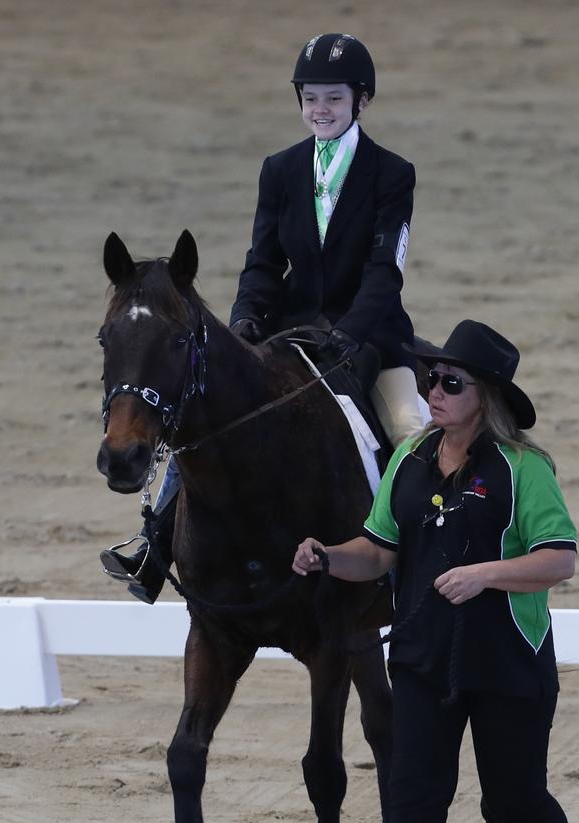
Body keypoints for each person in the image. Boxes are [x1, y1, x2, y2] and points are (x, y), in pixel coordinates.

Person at [293, 320, 579, 823]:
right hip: (424, 657)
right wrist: (325, 556)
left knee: (517, 798)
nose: (433, 389)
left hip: (507, 659)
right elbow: (377, 550)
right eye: (431, 377)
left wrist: (485, 573)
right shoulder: (410, 459)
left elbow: (559, 560)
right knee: (415, 797)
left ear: (484, 397)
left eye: (450, 382)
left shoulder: (524, 471)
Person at [100, 32, 424, 602]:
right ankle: (154, 548)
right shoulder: (279, 170)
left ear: (361, 101)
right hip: (291, 330)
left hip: (370, 337)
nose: (320, 111)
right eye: (311, 99)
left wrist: (349, 333)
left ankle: (412, 565)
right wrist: (245, 319)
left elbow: (384, 273)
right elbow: (264, 260)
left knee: (409, 431)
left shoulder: (392, 174)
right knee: (202, 421)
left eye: (334, 100)